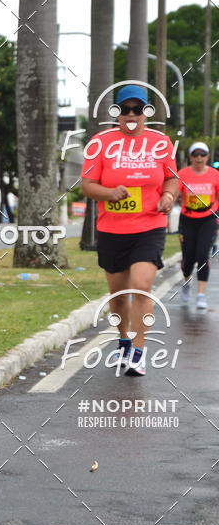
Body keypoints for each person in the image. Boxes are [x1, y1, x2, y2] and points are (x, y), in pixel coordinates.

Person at [81, 84, 178, 377]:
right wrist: (110, 193)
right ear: (117, 113)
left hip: (149, 225)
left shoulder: (160, 143)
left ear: (147, 112)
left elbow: (171, 179)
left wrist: (168, 197)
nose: (131, 115)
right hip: (112, 228)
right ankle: (123, 339)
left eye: (138, 109)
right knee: (119, 295)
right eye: (125, 109)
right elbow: (87, 185)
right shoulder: (101, 142)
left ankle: (138, 352)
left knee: (141, 285)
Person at [177, 141, 219, 309]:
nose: (199, 158)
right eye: (195, 154)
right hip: (187, 220)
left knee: (202, 255)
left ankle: (201, 294)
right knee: (188, 257)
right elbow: (172, 194)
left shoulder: (215, 175)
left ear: (207, 157)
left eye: (202, 154)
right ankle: (186, 283)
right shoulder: (182, 174)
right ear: (190, 157)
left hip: (208, 220)